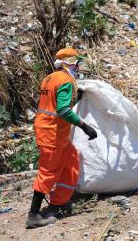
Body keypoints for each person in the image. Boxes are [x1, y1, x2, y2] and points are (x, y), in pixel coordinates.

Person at [26, 48, 97, 228]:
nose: (79, 67)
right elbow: (63, 110)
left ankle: (58, 203)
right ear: (71, 63)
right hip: (52, 134)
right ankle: (34, 215)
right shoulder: (65, 80)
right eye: (78, 63)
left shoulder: (50, 77)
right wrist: (85, 126)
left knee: (71, 163)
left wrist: (77, 97)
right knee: (48, 172)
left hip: (54, 132)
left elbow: (54, 101)